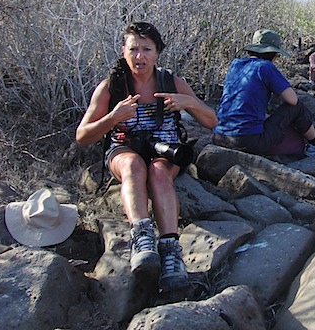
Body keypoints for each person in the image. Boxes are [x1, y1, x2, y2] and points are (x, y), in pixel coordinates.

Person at [75, 22, 217, 292]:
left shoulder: (171, 81)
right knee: (133, 165)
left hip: (165, 150)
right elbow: (82, 136)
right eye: (134, 49)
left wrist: (188, 102)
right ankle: (142, 238)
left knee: (159, 173)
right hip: (123, 149)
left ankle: (171, 249)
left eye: (146, 50)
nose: (140, 56)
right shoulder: (111, 87)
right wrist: (113, 117)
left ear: (157, 52)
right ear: (123, 51)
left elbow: (211, 121)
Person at [212, 29, 315, 157]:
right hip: (246, 141)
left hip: (218, 136)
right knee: (296, 107)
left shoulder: (235, 64)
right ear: (273, 54)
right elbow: (293, 100)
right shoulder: (265, 67)